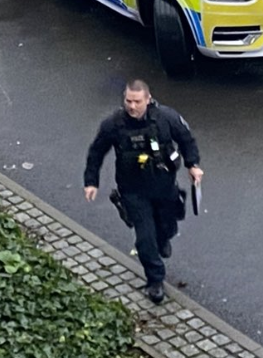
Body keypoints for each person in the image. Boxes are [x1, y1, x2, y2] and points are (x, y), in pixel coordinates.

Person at [83, 80, 202, 305]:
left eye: (137, 101)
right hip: (133, 191)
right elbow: (96, 151)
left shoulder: (166, 118)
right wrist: (91, 181)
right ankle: (155, 281)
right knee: (145, 238)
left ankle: (164, 238)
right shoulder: (114, 125)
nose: (132, 106)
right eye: (128, 101)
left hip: (163, 186)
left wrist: (193, 165)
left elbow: (186, 139)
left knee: (166, 226)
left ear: (148, 99)